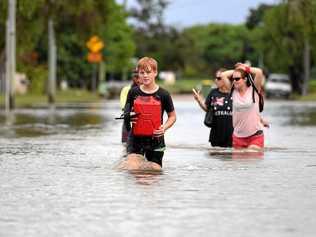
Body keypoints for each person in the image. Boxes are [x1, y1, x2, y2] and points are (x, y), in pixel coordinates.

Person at [123, 57, 176, 170]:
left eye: (148, 72)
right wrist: (129, 116)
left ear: (155, 72)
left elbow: (172, 116)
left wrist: (164, 128)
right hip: (135, 140)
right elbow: (126, 112)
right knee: (133, 169)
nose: (145, 76)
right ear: (139, 74)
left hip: (156, 141)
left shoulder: (164, 94)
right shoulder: (133, 92)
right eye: (142, 73)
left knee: (154, 172)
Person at [221, 63, 269, 151]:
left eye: (237, 79)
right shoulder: (232, 91)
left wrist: (245, 68)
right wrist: (237, 70)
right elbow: (223, 75)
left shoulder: (254, 90)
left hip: (255, 136)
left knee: (251, 154)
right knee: (239, 164)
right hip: (238, 137)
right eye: (233, 79)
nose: (234, 81)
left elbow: (259, 72)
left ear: (245, 79)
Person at [193, 68, 233, 147]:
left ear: (226, 79)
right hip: (216, 135)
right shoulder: (213, 92)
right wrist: (199, 100)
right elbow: (207, 109)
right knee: (215, 157)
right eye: (215, 78)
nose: (216, 80)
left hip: (232, 135)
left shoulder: (234, 93)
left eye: (219, 78)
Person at [119, 69, 142, 143]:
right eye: (136, 77)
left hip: (142, 120)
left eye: (139, 77)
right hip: (128, 118)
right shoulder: (126, 89)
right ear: (132, 77)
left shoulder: (146, 89)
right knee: (125, 144)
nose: (138, 79)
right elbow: (123, 105)